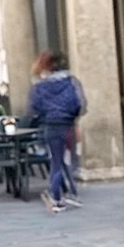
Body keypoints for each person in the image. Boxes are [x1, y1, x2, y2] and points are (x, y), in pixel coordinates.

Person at [28, 50, 83, 213]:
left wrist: (45, 116)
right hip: (68, 125)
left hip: (51, 126)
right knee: (70, 159)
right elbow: (78, 104)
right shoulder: (71, 83)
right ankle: (72, 192)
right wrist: (71, 117)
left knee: (56, 161)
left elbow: (35, 106)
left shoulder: (40, 86)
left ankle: (57, 196)